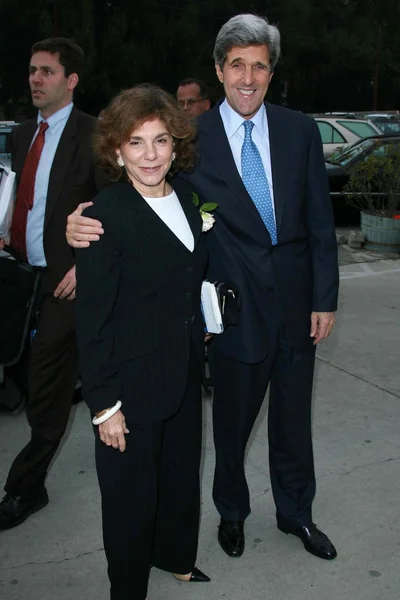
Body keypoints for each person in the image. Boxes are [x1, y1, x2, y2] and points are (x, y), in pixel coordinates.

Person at [66, 14, 340, 562]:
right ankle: (231, 513)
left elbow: (319, 222)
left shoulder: (300, 131)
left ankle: (296, 513)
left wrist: (324, 298)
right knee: (232, 427)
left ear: (271, 73)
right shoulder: (191, 138)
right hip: (233, 314)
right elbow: (142, 190)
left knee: (293, 420)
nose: (247, 76)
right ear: (219, 70)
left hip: (296, 306)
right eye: (236, 64)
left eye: (259, 65)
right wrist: (83, 221)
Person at [74, 85, 210, 600]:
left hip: (183, 371)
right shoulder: (102, 216)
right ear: (116, 151)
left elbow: (188, 274)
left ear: (176, 145)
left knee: (179, 480)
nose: (150, 155)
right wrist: (104, 404)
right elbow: (92, 320)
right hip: (129, 385)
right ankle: (127, 588)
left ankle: (176, 557)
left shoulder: (193, 200)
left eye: (159, 141)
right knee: (130, 500)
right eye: (136, 143)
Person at [0, 37, 99, 530]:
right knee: (18, 371)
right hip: (19, 276)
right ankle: (68, 384)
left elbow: (118, 209)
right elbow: (25, 196)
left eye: (48, 71)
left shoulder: (94, 134)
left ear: (71, 80)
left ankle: (24, 488)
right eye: (33, 70)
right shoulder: (21, 134)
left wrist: (89, 265)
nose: (36, 79)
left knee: (45, 389)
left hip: (68, 283)